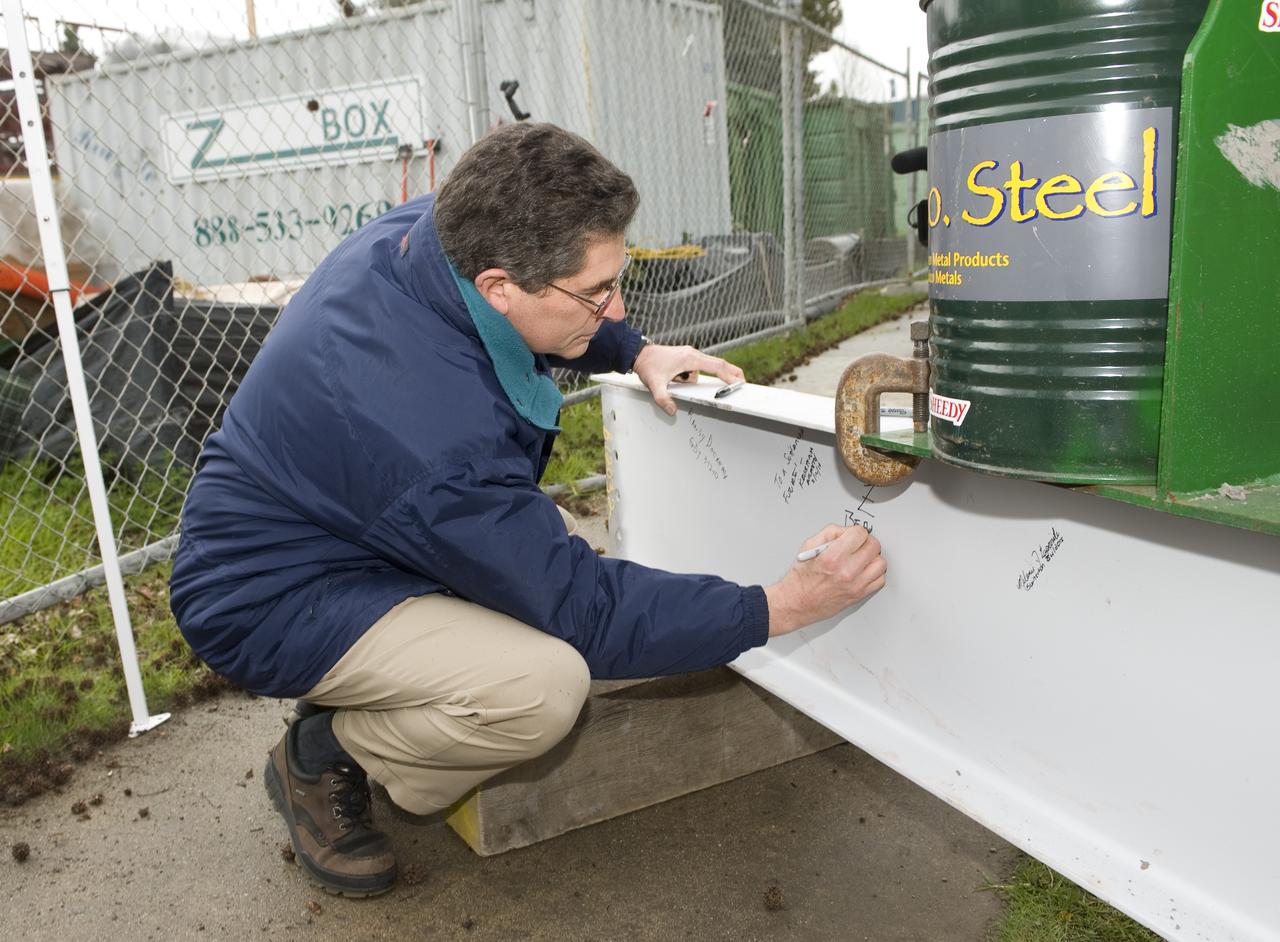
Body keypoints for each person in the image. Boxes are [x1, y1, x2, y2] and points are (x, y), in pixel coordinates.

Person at [169, 122, 886, 898]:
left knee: (533, 567)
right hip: (265, 598)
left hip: (347, 526)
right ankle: (328, 749)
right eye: (598, 294)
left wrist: (633, 349)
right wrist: (780, 606)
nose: (615, 306)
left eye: (620, 280)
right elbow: (585, 611)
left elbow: (546, 346)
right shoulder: (432, 436)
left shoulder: (436, 232)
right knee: (538, 688)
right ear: (500, 287)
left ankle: (377, 680)